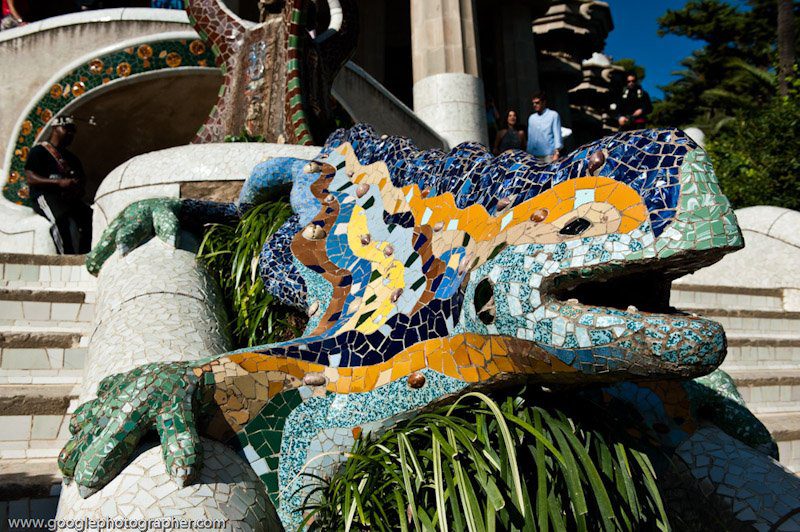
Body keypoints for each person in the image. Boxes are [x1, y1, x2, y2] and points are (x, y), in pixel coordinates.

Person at [24, 116, 92, 254]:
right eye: (67, 129)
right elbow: (31, 177)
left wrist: (76, 187)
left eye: (73, 131)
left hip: (67, 199)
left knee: (89, 216)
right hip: (45, 196)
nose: (70, 134)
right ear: (55, 129)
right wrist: (59, 182)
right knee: (60, 219)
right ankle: (66, 257)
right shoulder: (39, 151)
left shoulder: (72, 158)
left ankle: (85, 253)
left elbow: (81, 180)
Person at [526, 92, 562, 163]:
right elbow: (530, 138)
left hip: (549, 155)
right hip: (534, 156)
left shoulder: (553, 115)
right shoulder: (531, 118)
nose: (534, 105)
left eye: (537, 103)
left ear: (544, 102)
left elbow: (557, 135)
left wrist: (556, 153)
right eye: (533, 103)